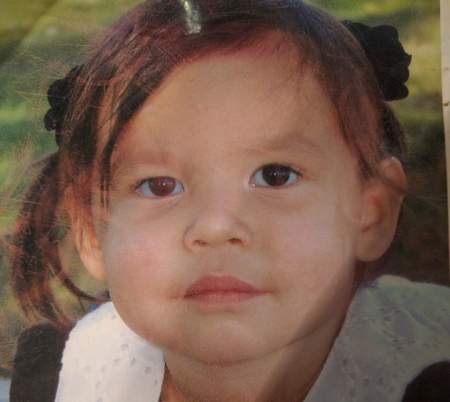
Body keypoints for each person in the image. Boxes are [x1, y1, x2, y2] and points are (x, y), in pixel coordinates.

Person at [8, 1, 450, 401]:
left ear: (371, 214)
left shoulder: (429, 373)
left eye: (275, 176)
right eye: (159, 186)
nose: (216, 226)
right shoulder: (66, 376)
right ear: (91, 230)